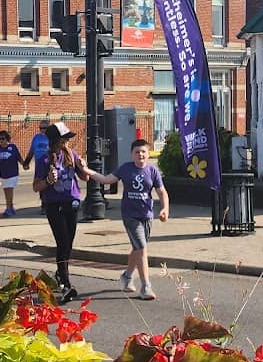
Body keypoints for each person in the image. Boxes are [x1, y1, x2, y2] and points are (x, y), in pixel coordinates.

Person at [88, 137, 169, 300]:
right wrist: (87, 170)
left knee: (138, 248)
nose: (140, 155)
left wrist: (165, 209)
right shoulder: (126, 169)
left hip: (147, 215)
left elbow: (162, 192)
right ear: (132, 154)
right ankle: (146, 286)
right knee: (142, 248)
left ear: (148, 154)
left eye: (144, 152)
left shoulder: (153, 171)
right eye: (137, 152)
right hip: (130, 216)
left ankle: (126, 276)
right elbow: (106, 179)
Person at [32, 121, 88, 301]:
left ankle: (60, 274)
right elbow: (36, 187)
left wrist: (83, 166)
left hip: (72, 203)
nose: (67, 142)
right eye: (64, 139)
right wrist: (48, 181)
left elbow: (84, 177)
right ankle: (65, 282)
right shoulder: (44, 160)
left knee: (68, 244)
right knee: (62, 242)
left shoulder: (72, 155)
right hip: (54, 205)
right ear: (56, 141)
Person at [0, 130, 24, 216]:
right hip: (3, 174)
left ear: (7, 139)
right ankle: (11, 207)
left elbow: (19, 158)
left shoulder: (13, 147)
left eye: (3, 138)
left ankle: (8, 208)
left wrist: (24, 165)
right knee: (6, 191)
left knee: (9, 190)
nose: (1, 141)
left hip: (12, 173)